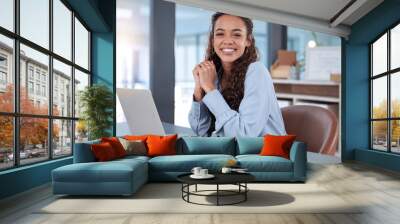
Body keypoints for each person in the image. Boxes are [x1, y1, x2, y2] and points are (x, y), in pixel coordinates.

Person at [188, 12, 286, 137]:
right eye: (220, 34)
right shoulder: (215, 74)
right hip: (231, 154)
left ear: (248, 41)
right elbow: (200, 130)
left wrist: (211, 90)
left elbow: (244, 135)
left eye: (237, 34)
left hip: (264, 154)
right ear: (213, 40)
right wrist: (199, 90)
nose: (228, 41)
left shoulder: (257, 71)